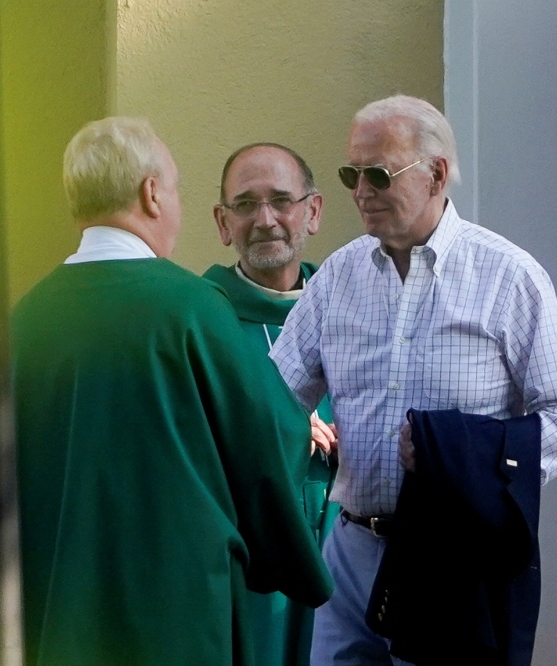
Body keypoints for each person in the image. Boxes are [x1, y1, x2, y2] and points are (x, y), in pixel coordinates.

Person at [269, 95, 557, 664]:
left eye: (378, 174)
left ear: (436, 174)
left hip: (455, 557)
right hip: (350, 552)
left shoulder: (507, 277)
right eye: (352, 174)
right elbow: (271, 398)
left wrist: (463, 455)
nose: (361, 190)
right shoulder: (338, 277)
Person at [12, 117, 331, 666]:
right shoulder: (192, 308)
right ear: (151, 194)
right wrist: (296, 431)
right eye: (176, 187)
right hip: (178, 605)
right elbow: (266, 438)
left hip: (59, 601)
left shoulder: (26, 317)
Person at [203, 142, 338, 666]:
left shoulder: (352, 304)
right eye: (245, 204)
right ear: (222, 222)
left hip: (345, 543)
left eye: (281, 200)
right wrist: (281, 421)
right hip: (254, 558)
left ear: (313, 211)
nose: (265, 220)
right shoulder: (200, 319)